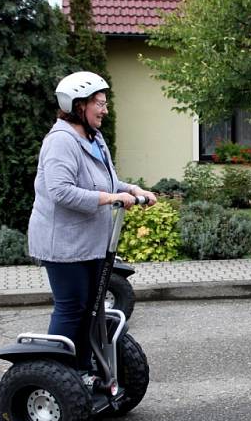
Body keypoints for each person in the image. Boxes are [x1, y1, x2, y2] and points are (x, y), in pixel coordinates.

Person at [28, 71, 157, 371]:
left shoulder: (94, 138)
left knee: (93, 310)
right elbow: (61, 191)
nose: (105, 109)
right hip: (63, 243)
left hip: (91, 242)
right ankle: (55, 375)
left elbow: (108, 181)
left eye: (105, 102)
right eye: (99, 103)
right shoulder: (61, 141)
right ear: (78, 104)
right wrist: (110, 199)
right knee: (72, 308)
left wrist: (133, 190)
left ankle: (82, 373)